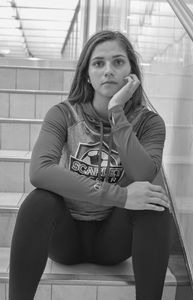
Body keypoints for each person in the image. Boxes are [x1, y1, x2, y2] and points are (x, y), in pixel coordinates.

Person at [9, 30, 171, 300]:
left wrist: (117, 112)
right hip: (65, 236)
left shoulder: (149, 123)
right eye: (99, 63)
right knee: (38, 202)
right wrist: (119, 194)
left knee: (155, 205)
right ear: (87, 74)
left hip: (113, 240)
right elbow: (40, 171)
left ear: (132, 72)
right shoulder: (63, 113)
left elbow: (142, 174)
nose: (108, 71)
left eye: (118, 62)